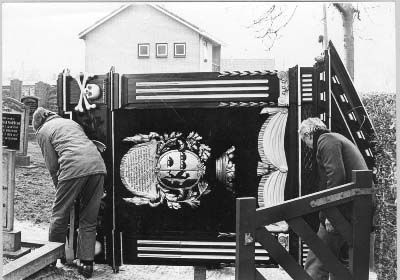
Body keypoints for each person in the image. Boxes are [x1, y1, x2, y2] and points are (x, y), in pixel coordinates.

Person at [33, 107, 107, 278]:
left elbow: (53, 167)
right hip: (98, 166)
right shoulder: (70, 123)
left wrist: (60, 190)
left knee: (59, 215)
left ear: (38, 123)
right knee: (89, 218)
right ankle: (87, 264)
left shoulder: (43, 132)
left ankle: (51, 259)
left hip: (73, 167)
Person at [298, 117, 369, 280]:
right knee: (338, 265)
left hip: (345, 210)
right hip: (356, 206)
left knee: (316, 262)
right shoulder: (336, 138)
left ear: (309, 134)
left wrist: (330, 214)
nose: (307, 146)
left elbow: (336, 177)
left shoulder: (325, 140)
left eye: (304, 141)